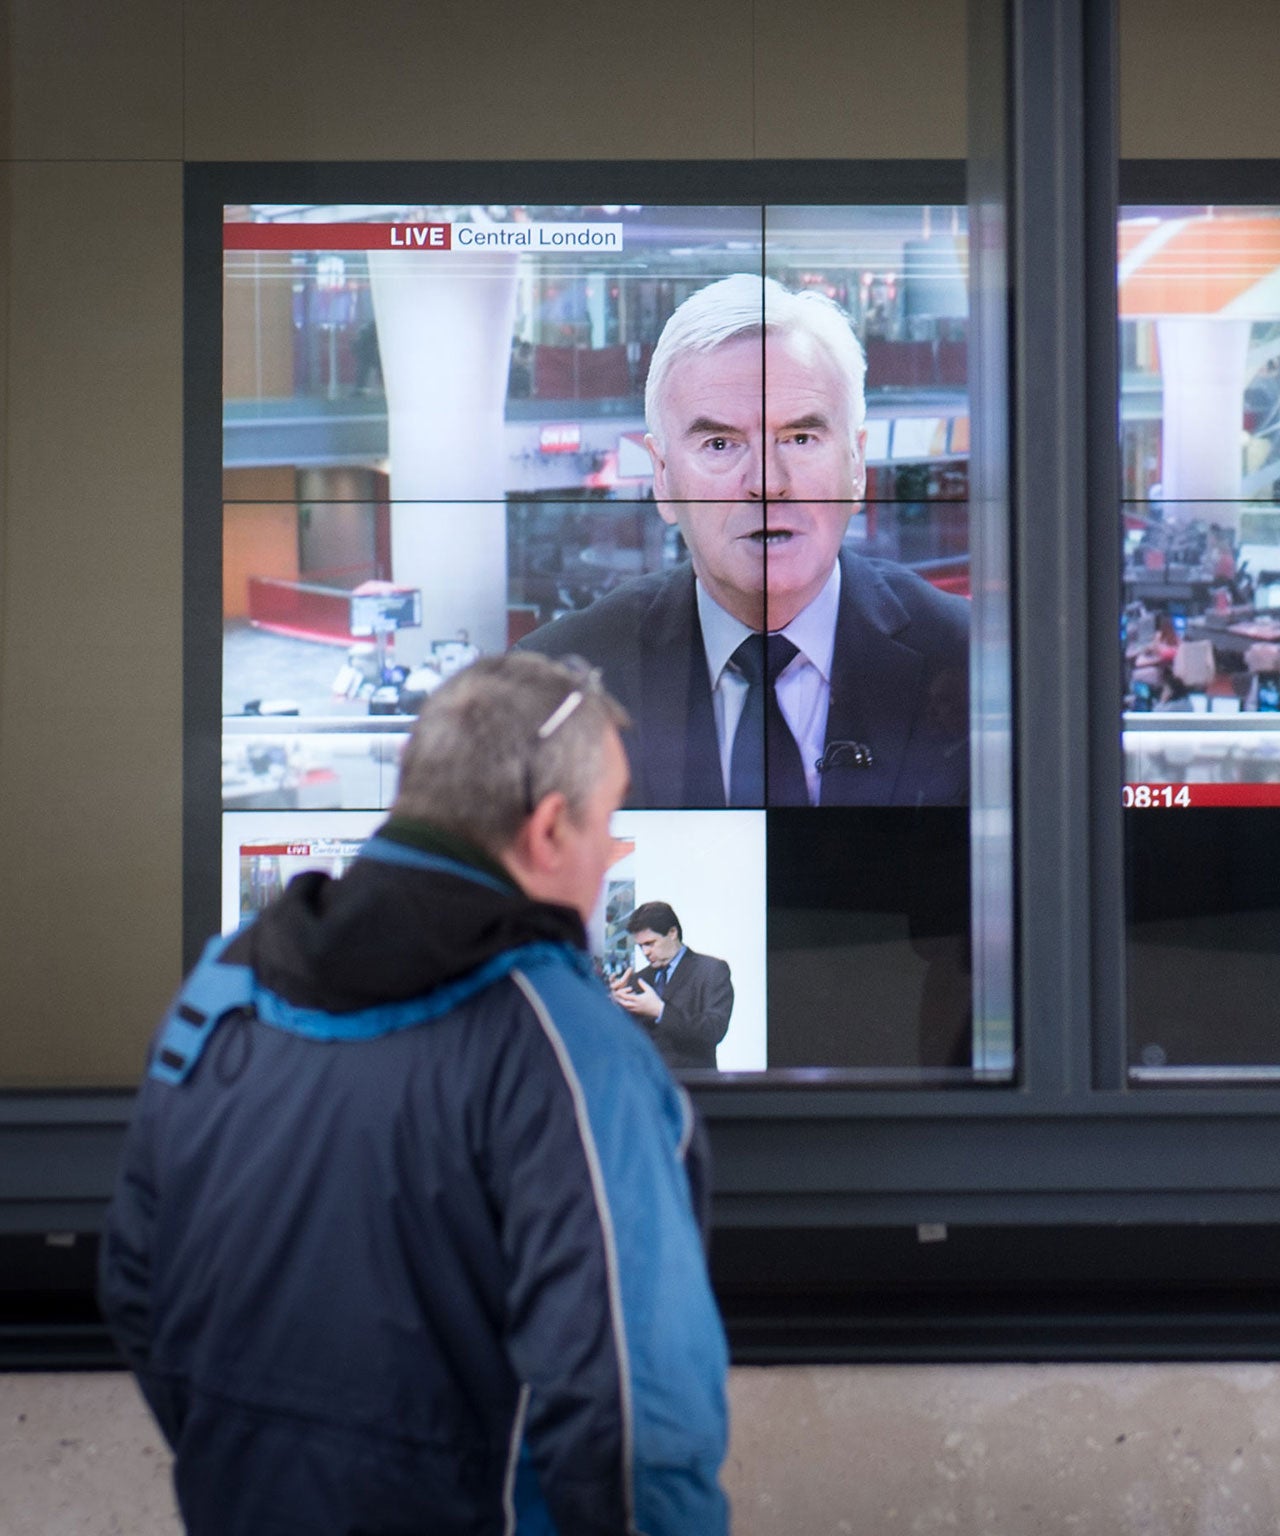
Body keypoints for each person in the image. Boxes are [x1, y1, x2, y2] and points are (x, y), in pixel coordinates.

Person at [100, 654, 729, 1534]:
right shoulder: (568, 1046)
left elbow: (137, 1283)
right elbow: (632, 1416)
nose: (613, 851)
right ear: (549, 830)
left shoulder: (221, 989)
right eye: (611, 822)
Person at [519, 274, 969, 808]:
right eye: (720, 443)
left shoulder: (973, 660)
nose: (766, 481)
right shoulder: (556, 683)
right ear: (661, 479)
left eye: (800, 438)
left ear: (856, 467)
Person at [614, 899, 735, 1073]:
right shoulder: (639, 979)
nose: (645, 952)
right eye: (641, 946)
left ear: (672, 933)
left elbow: (713, 1030)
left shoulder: (711, 970)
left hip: (694, 1087)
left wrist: (660, 1011)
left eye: (650, 943)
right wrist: (614, 1006)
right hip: (648, 1086)